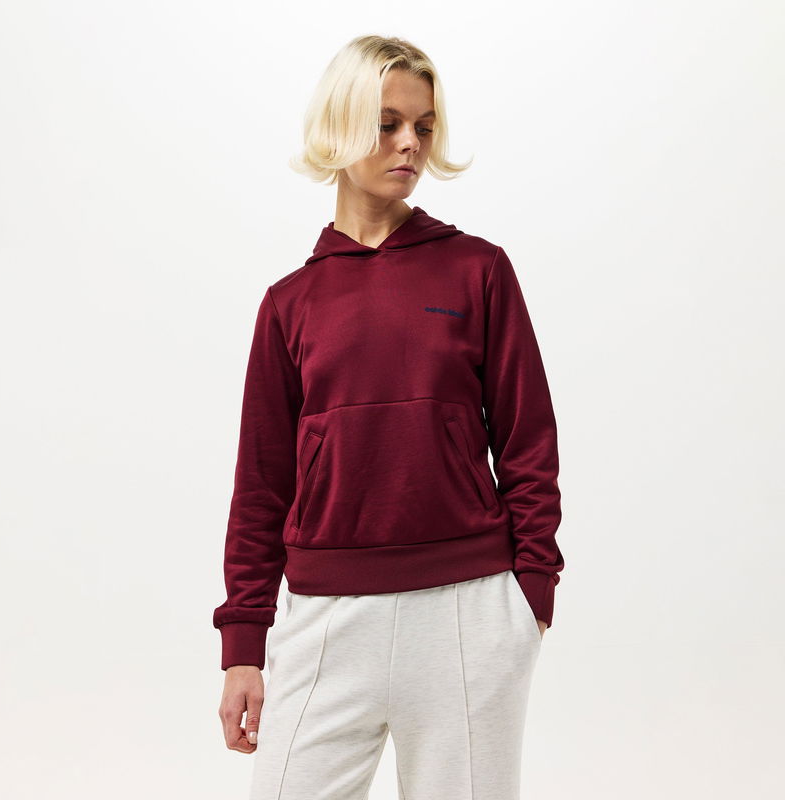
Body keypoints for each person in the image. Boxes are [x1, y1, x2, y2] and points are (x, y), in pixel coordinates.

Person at [213, 34, 565, 799]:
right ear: (340, 126)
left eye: (424, 126)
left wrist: (532, 591)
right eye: (387, 124)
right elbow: (262, 485)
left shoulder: (478, 270)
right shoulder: (289, 304)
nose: (410, 143)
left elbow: (528, 440)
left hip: (468, 611)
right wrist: (243, 642)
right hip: (325, 618)